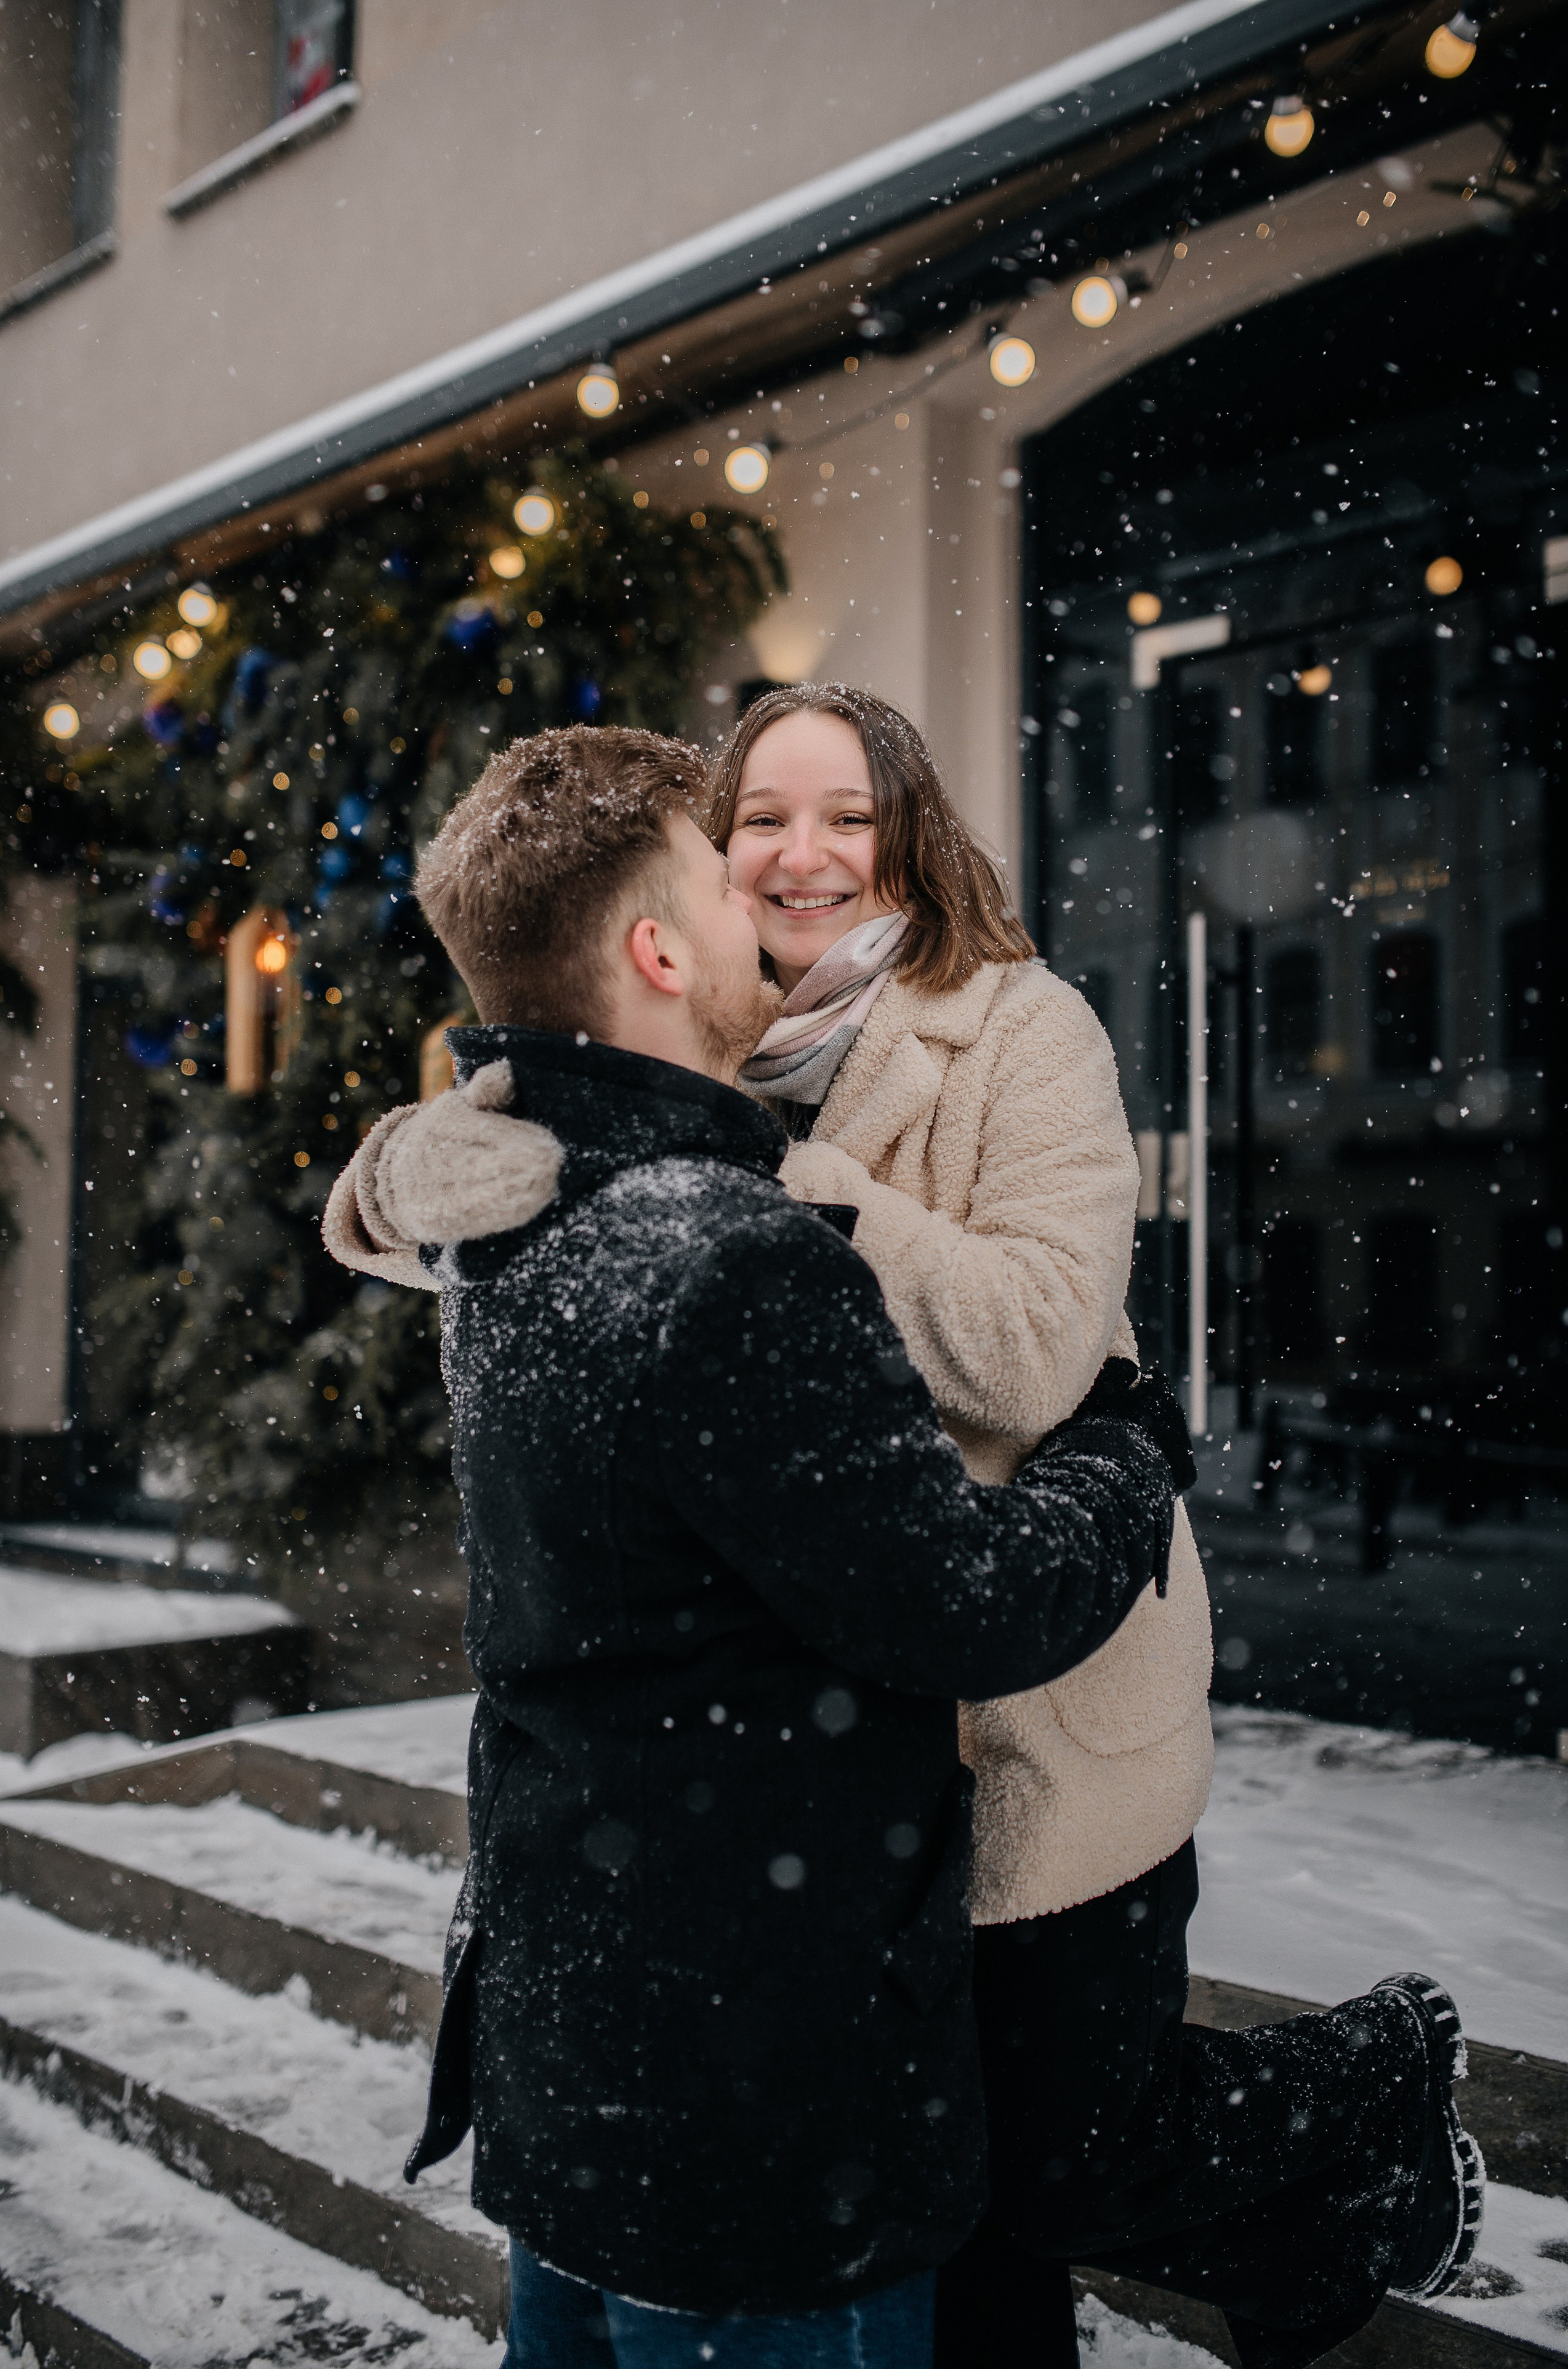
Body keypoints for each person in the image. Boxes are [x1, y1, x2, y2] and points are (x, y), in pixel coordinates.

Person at [324, 722, 1184, 2368]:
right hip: (755, 2101)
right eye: (725, 872)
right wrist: (1129, 1449)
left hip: (586, 2041)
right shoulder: (723, 1253)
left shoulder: (520, 1215)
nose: (761, 897)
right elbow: (971, 1602)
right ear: (655, 950)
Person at [706, 684, 1483, 2369]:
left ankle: (1370, 2070)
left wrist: (815, 1208)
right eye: (764, 815)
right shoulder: (686, 1053)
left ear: (907, 829)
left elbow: (1042, 1343)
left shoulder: (1020, 1029)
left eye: (844, 813)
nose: (803, 853)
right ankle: (1324, 2226)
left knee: (1054, 2158)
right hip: (834, 1737)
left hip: (1042, 1692)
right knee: (960, 2218)